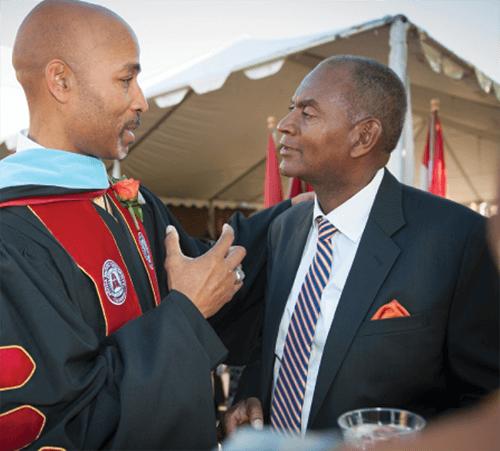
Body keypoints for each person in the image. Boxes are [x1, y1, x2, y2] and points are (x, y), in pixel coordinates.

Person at [0, 1, 307, 449]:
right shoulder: (13, 235)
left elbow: (215, 279)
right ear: (60, 81)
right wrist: (184, 313)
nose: (141, 99)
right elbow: (67, 423)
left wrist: (309, 208)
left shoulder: (131, 203)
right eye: (126, 79)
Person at [224, 55, 499, 436]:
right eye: (292, 110)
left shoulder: (459, 240)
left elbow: (484, 402)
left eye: (308, 113)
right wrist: (254, 394)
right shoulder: (284, 230)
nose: (285, 126)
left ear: (364, 136)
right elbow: (274, 343)